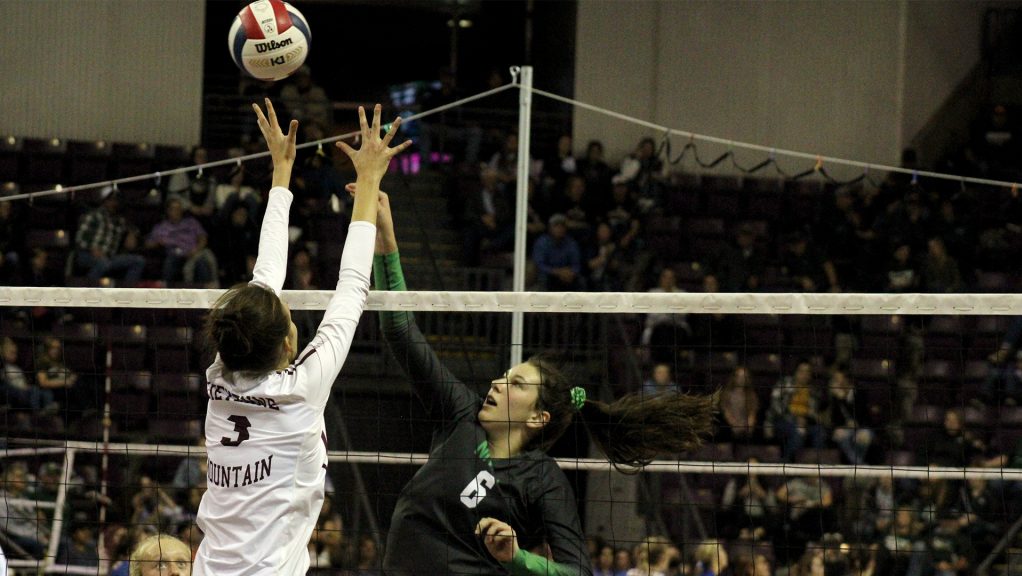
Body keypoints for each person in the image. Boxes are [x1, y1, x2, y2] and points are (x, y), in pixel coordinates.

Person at [369, 184, 718, 576]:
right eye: (503, 377)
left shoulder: (542, 479)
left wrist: (517, 558)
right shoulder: (460, 416)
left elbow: (579, 572)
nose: (497, 384)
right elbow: (399, 328)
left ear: (538, 418)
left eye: (516, 384)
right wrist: (385, 233)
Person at [193, 99, 409, 576]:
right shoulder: (299, 390)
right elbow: (352, 283)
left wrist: (282, 173)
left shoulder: (219, 374)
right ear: (288, 345)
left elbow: (266, 277)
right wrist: (369, 179)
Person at [72, 188, 147, 285]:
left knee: (139, 261)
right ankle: (88, 290)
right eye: (110, 200)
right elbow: (79, 239)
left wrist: (131, 234)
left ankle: (127, 293)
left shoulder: (120, 221)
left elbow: (131, 240)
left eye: (116, 200)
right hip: (87, 254)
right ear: (104, 201)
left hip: (110, 257)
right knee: (103, 264)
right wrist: (92, 249)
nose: (113, 203)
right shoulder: (93, 215)